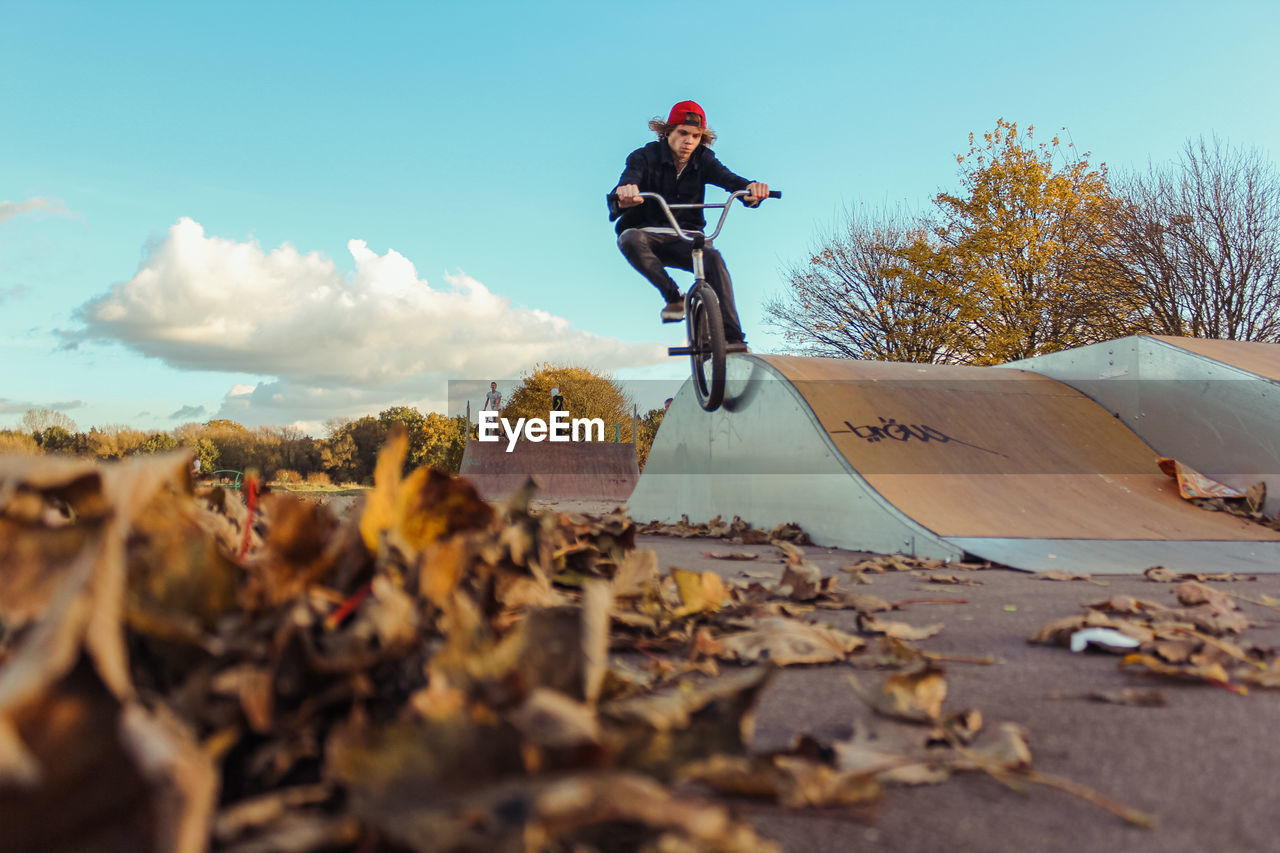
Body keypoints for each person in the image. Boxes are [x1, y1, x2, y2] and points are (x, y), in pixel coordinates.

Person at [608, 99, 769, 353]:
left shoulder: (704, 160)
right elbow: (629, 180)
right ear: (667, 132)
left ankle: (733, 337)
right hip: (649, 235)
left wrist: (751, 189)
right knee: (629, 239)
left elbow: (730, 180)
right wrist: (626, 193)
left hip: (687, 238)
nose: (689, 142)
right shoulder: (644, 156)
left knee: (713, 259)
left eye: (695, 136)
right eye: (683, 133)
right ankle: (674, 298)